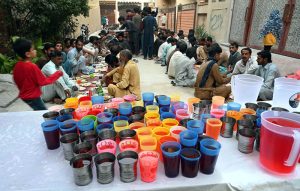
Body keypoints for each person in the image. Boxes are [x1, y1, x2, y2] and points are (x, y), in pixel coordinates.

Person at [12, 38, 63, 110]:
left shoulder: (17, 66)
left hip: (24, 96)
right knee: (42, 113)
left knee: (36, 111)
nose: (35, 51)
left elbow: (15, 79)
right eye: (33, 49)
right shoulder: (32, 66)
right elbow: (43, 81)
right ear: (28, 54)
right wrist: (57, 74)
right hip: (33, 97)